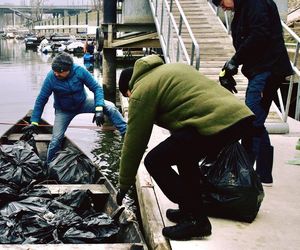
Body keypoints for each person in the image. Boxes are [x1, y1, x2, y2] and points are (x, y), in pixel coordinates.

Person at [115, 54, 255, 240]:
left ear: (129, 88)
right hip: (239, 117)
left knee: (155, 161)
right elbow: (186, 108)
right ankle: (188, 209)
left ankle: (196, 220)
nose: (130, 100)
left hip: (218, 121)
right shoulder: (170, 71)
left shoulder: (141, 91)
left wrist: (123, 184)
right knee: (185, 157)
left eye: (128, 96)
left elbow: (134, 143)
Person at [212, 0, 293, 186]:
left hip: (268, 68)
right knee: (255, 120)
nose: (221, 7)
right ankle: (259, 174)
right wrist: (230, 68)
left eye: (220, 1)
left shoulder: (255, 3)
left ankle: (249, 172)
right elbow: (246, 42)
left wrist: (235, 60)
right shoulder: (243, 8)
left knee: (251, 119)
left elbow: (259, 35)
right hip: (259, 70)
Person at [23, 52, 127, 164]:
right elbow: (41, 100)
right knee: (56, 140)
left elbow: (96, 88)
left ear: (69, 69)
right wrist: (34, 122)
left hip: (83, 103)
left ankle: (126, 134)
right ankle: (49, 164)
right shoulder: (51, 78)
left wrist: (99, 109)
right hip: (63, 110)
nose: (56, 74)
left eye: (59, 72)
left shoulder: (79, 71)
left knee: (111, 107)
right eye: (55, 71)